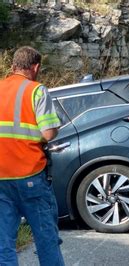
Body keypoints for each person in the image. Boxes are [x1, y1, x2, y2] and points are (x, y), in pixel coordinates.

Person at [0, 46, 64, 265]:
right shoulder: (36, 90)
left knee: (3, 244)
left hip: (1, 177)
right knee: (46, 239)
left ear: (14, 65)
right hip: (30, 175)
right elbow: (48, 133)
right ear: (35, 67)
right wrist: (55, 127)